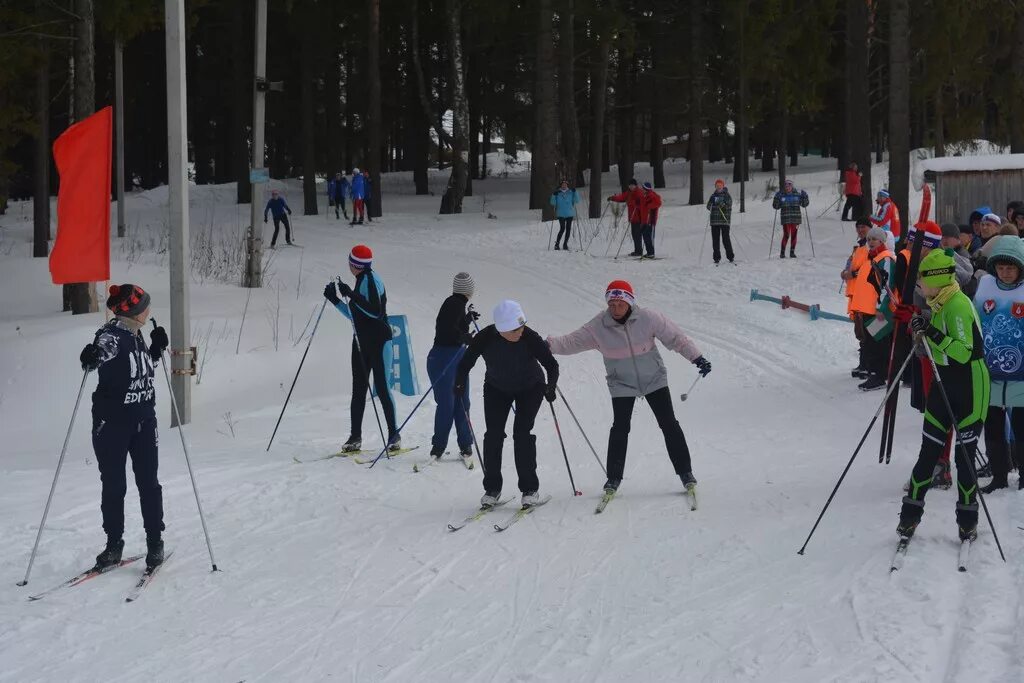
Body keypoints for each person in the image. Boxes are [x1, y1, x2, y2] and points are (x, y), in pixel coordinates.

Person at [546, 280, 711, 494]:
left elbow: (676, 339)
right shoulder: (599, 326)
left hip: (654, 379)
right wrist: (543, 346)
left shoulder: (648, 318)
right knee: (620, 428)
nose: (615, 309)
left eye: (620, 304)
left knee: (669, 424)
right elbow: (570, 342)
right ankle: (613, 479)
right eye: (611, 304)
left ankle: (685, 473)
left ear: (630, 303)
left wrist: (697, 358)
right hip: (621, 383)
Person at [897, 248, 989, 543]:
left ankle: (967, 522)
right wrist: (920, 328)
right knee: (928, 453)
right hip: (943, 382)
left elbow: (963, 352)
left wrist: (932, 333)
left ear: (937, 279)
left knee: (964, 459)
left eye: (922, 279)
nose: (919, 286)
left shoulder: (957, 305)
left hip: (971, 387)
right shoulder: (938, 303)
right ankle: (909, 518)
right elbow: (938, 348)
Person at [78, 284, 167, 571]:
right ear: (134, 312)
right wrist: (90, 356)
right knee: (115, 485)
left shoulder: (138, 336)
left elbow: (140, 369)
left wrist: (155, 350)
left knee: (149, 484)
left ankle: (155, 542)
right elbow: (100, 355)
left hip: (143, 421)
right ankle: (114, 544)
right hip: (112, 425)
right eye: (145, 308)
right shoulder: (112, 336)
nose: (149, 312)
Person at [454, 300, 559, 508]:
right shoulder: (484, 337)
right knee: (493, 435)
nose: (519, 332)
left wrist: (551, 386)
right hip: (496, 387)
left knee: (522, 433)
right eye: (514, 330)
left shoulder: (530, 337)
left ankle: (529, 489)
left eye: (521, 326)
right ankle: (492, 489)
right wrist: (458, 383)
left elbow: (551, 364)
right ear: (501, 329)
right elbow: (465, 363)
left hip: (530, 387)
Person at [323, 245, 400, 452]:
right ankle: (355, 437)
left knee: (382, 388)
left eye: (350, 262)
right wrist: (335, 300)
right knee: (359, 390)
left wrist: (352, 295)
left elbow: (375, 312)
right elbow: (355, 315)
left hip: (379, 342)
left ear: (354, 264)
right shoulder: (360, 281)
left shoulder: (371, 280)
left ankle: (394, 435)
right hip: (361, 342)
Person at [973, 237, 1024, 493]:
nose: (1005, 273)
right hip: (989, 371)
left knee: (1021, 428)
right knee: (992, 427)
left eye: (1011, 268)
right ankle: (999, 475)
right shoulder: (985, 287)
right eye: (1001, 268)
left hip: (1021, 373)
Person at [427, 273, 479, 463]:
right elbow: (445, 330)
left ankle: (465, 444)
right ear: (468, 290)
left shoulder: (457, 304)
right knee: (448, 404)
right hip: (443, 358)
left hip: (455, 357)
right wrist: (463, 337)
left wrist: (466, 320)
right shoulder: (453, 304)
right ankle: (438, 447)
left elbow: (453, 327)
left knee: (462, 402)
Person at [851, 227, 895, 391]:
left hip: (879, 311)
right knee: (871, 343)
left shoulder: (886, 258)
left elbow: (887, 286)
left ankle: (880, 376)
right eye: (869, 240)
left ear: (882, 241)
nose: (870, 242)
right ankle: (874, 373)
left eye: (874, 239)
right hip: (868, 310)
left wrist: (881, 308)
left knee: (880, 343)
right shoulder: (872, 259)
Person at [844, 218, 872, 379]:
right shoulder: (858, 247)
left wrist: (852, 274)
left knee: (868, 330)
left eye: (864, 226)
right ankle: (864, 362)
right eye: (859, 227)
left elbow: (867, 268)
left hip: (865, 295)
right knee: (860, 331)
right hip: (855, 295)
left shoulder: (869, 247)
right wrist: (846, 273)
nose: (861, 229)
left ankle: (869, 364)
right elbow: (848, 267)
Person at [772, 179, 810, 258]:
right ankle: (782, 253)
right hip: (786, 219)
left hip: (796, 219)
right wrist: (776, 198)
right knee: (786, 235)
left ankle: (792, 252)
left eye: (789, 186)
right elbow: (776, 206)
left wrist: (805, 196)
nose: (787, 187)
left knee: (794, 235)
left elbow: (804, 204)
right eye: (786, 186)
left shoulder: (797, 195)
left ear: (792, 186)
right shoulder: (781, 195)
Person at [608, 178, 646, 257]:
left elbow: (644, 202)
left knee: (637, 234)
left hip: (639, 217)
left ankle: (639, 251)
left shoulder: (639, 192)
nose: (631, 187)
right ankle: (637, 250)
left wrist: (638, 203)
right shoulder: (628, 193)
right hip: (632, 217)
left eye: (633, 185)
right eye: (630, 185)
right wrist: (612, 198)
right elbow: (621, 197)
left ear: (635, 185)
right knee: (634, 234)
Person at [706, 178, 734, 264]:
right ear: (715, 186)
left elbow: (728, 207)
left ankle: (730, 257)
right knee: (715, 240)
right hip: (714, 221)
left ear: (723, 186)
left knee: (725, 239)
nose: (718, 187)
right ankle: (716, 258)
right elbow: (708, 206)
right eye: (717, 186)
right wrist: (711, 204)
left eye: (720, 185)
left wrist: (719, 202)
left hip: (724, 221)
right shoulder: (713, 196)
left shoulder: (727, 196)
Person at [550, 180, 580, 251]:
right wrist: (554, 195)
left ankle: (565, 244)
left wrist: (575, 192)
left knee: (568, 229)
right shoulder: (558, 193)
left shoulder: (571, 192)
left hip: (569, 213)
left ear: (567, 185)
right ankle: (557, 244)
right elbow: (552, 203)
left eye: (565, 184)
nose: (564, 186)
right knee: (562, 228)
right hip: (561, 213)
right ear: (561, 185)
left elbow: (577, 201)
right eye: (563, 184)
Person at [640, 181, 662, 258]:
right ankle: (649, 252)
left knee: (649, 236)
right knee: (645, 236)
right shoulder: (644, 196)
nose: (642, 189)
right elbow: (643, 207)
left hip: (651, 220)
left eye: (643, 188)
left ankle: (651, 253)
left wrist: (650, 205)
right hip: (644, 220)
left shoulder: (652, 195)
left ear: (646, 189)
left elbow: (658, 203)